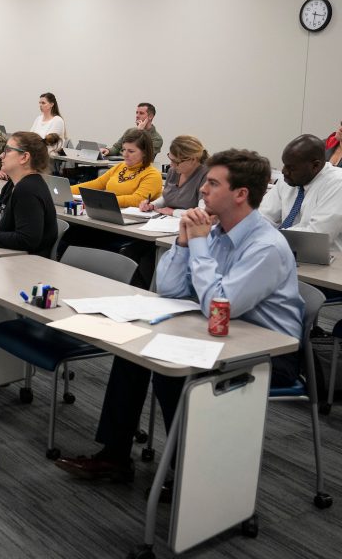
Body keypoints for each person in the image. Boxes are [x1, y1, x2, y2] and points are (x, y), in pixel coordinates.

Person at [56, 148, 304, 483]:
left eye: (213, 184)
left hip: (267, 352)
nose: (202, 189)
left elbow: (218, 304)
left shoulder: (266, 247)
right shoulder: (212, 231)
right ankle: (115, 455)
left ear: (241, 194)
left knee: (173, 375)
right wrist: (184, 243)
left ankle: (189, 473)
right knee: (134, 352)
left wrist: (198, 245)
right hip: (214, 333)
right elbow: (170, 290)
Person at [258, 133, 342, 255]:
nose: (284, 171)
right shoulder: (289, 179)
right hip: (285, 253)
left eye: (291, 168)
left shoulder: (337, 183)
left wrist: (270, 236)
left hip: (325, 264)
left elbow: (316, 237)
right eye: (284, 165)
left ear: (315, 165)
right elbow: (262, 217)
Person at [70, 129, 163, 208]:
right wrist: (68, 190)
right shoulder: (121, 167)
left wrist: (101, 201)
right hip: (110, 210)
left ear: (144, 153)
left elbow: (137, 200)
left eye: (131, 151)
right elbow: (96, 184)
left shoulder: (152, 175)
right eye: (123, 150)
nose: (125, 154)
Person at [139, 135, 209, 217]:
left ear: (193, 160)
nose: (171, 164)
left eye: (176, 161)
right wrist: (152, 205)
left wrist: (173, 212)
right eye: (170, 159)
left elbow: (203, 213)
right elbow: (168, 198)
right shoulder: (174, 171)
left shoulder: (206, 175)